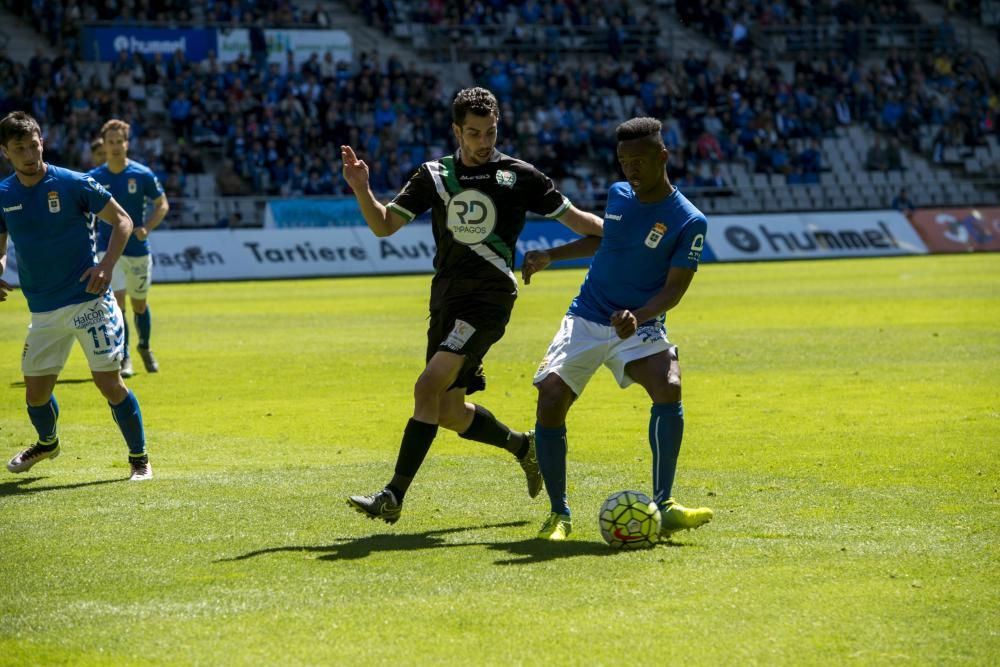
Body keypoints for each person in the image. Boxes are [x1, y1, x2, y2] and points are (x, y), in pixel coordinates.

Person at [341, 87, 604, 524]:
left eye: (491, 132)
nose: (484, 142)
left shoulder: (519, 175)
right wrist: (361, 188)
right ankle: (524, 446)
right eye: (475, 134)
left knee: (427, 387)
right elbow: (385, 225)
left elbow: (582, 222)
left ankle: (393, 495)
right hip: (446, 300)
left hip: (489, 298)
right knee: (447, 410)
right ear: (456, 131)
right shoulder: (435, 176)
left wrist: (617, 227)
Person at [521, 117, 714, 541]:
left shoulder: (689, 220)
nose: (631, 169)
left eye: (639, 160)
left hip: (638, 321)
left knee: (669, 384)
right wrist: (551, 255)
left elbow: (675, 290)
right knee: (551, 396)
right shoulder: (618, 195)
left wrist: (639, 317)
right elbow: (608, 240)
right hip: (587, 314)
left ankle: (664, 505)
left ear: (662, 156)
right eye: (624, 160)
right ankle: (559, 515)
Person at [0, 111, 152, 480]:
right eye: (19, 148)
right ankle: (48, 443)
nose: (28, 153)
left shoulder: (72, 183)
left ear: (42, 143)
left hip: (89, 302)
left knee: (108, 383)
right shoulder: (4, 195)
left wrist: (107, 266)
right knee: (35, 393)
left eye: (33, 144)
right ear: (6, 152)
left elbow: (123, 221)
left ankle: (140, 459)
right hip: (44, 309)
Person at [89, 119, 169, 377]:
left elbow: (162, 204)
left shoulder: (142, 174)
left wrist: (146, 227)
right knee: (118, 304)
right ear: (104, 144)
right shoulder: (94, 178)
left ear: (127, 143)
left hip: (137, 250)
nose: (114, 147)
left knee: (139, 305)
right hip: (108, 251)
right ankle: (124, 358)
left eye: (119, 142)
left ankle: (144, 347)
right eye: (110, 142)